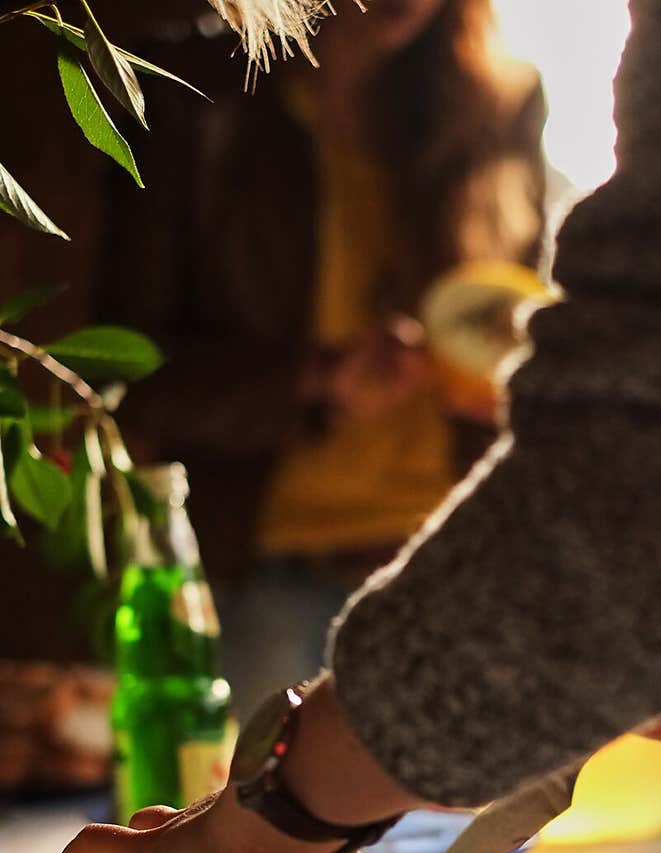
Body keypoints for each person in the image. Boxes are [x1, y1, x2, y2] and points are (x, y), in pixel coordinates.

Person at [58, 0, 661, 853]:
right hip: (307, 574)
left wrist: (293, 797)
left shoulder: (511, 97)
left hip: (438, 566)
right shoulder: (202, 106)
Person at [95, 0, 548, 717]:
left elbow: (526, 331)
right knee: (259, 824)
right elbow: (125, 373)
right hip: (266, 581)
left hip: (449, 571)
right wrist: (317, 383)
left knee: (468, 830)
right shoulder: (195, 92)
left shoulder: (496, 102)